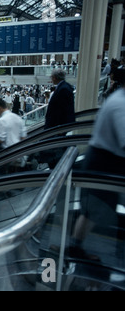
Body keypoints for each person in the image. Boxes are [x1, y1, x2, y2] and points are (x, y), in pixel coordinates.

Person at [68, 82, 125, 261]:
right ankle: (75, 248)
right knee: (93, 209)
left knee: (92, 211)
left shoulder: (117, 99)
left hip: (105, 160)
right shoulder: (120, 104)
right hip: (104, 163)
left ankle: (75, 247)